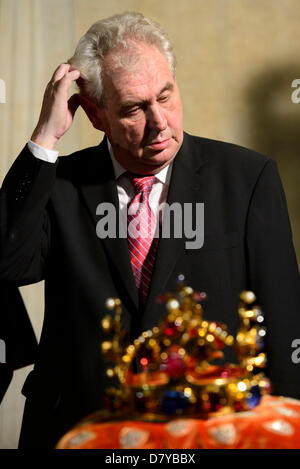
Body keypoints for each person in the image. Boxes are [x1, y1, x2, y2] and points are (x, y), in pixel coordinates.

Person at [0, 11, 299, 449]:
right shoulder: (60, 184)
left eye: (165, 95)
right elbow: (9, 262)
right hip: (79, 430)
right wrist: (45, 138)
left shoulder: (246, 178)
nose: (159, 122)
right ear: (96, 114)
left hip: (208, 433)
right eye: (135, 109)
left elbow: (284, 318)